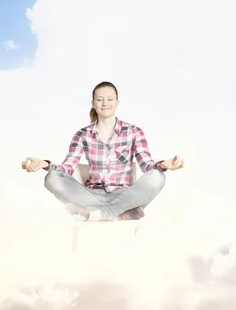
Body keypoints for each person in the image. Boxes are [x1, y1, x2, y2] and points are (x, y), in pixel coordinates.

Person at [21, 81, 184, 222]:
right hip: (91, 195)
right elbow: (68, 167)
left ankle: (102, 214)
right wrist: (45, 164)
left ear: (117, 102)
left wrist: (164, 164)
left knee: (157, 177)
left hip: (125, 195)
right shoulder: (82, 134)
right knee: (51, 178)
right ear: (93, 103)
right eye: (100, 99)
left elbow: (146, 165)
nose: (105, 103)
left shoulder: (134, 132)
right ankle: (122, 214)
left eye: (109, 99)